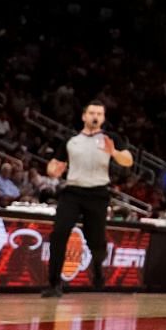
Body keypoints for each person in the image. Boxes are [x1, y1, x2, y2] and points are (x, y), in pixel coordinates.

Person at [40, 100, 133, 298]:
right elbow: (54, 165)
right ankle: (54, 283)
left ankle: (98, 268)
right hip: (72, 192)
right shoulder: (71, 140)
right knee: (59, 233)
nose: (95, 116)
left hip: (98, 194)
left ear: (103, 118)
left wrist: (114, 152)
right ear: (84, 116)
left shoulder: (111, 138)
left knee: (96, 240)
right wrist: (53, 170)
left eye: (99, 113)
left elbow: (128, 160)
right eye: (92, 112)